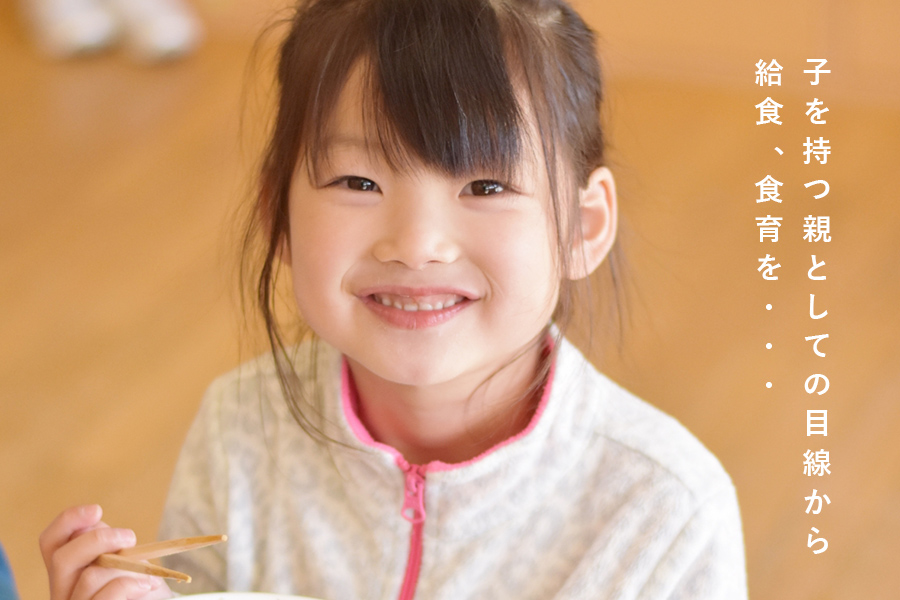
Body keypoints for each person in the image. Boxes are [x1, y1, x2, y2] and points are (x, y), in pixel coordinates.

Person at [40, 0, 748, 598]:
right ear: (276, 215)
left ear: (582, 227)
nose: (417, 244)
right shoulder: (240, 426)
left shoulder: (668, 511)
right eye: (357, 182)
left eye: (486, 187)